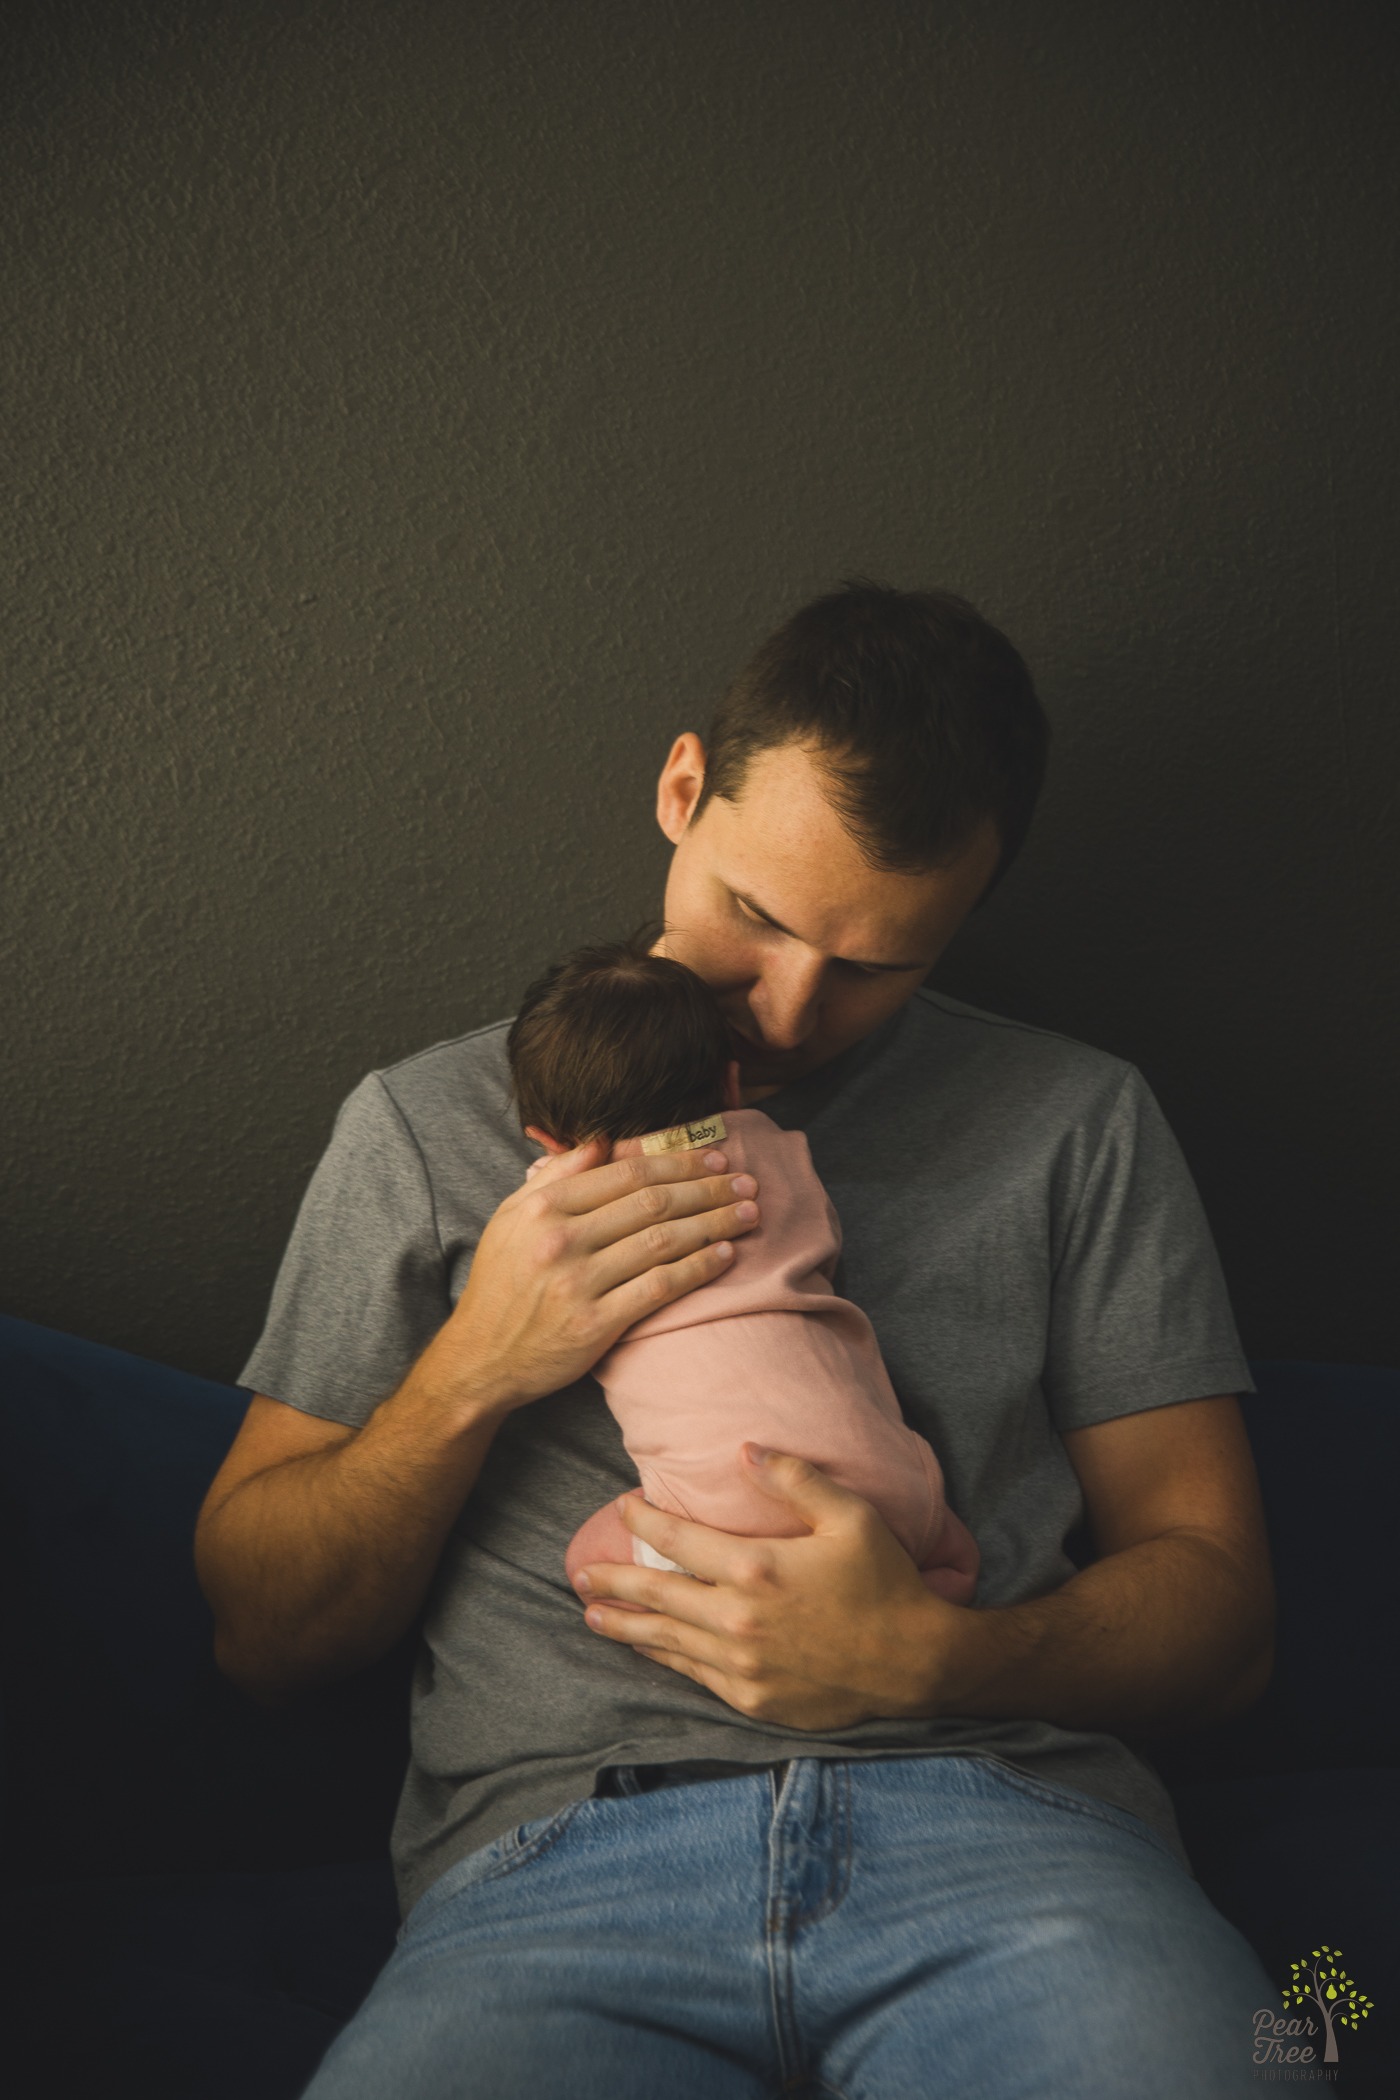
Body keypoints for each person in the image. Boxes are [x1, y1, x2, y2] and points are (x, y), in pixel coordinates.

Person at [195, 580, 1277, 2097]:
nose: (784, 1010)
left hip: (1018, 1838)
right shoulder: (424, 1127)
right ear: (683, 789)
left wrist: (934, 1656)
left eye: (876, 963)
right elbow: (262, 1638)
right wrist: (480, 1362)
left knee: (1282, 2049)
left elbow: (1225, 1618)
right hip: (561, 1863)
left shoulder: (1077, 1122)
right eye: (757, 916)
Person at [504, 935, 981, 1604]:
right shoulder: (781, 1154)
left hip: (727, 1512)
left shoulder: (565, 1213)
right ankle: (941, 1581)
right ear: (731, 1082)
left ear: (549, 1144)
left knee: (592, 1558)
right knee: (948, 1544)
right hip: (895, 1490)